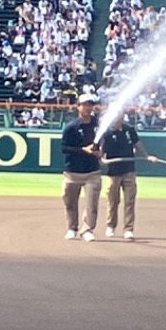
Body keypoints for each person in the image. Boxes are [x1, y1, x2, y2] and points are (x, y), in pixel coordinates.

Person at [97, 113, 157, 240]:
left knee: (130, 201)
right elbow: (101, 150)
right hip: (114, 172)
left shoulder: (129, 130)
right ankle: (111, 226)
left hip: (129, 170)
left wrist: (146, 156)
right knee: (113, 201)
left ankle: (128, 229)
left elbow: (138, 144)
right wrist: (101, 159)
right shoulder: (107, 132)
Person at [60, 93, 101, 241]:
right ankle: (72, 228)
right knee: (70, 202)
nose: (88, 107)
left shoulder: (98, 125)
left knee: (92, 204)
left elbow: (106, 141)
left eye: (90, 104)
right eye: (84, 104)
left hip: (93, 171)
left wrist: (102, 151)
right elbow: (64, 148)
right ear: (78, 107)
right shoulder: (71, 127)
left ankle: (87, 229)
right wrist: (83, 149)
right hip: (73, 172)